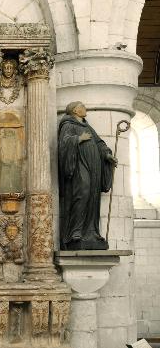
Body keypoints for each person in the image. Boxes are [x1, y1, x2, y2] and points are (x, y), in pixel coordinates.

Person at [58, 101, 117, 250]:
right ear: (75, 111)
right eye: (82, 107)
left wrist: (107, 154)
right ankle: (75, 233)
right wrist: (78, 139)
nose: (86, 109)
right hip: (79, 166)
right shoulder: (68, 125)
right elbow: (64, 144)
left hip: (94, 166)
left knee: (92, 197)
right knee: (82, 194)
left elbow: (99, 143)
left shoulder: (88, 127)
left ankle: (91, 233)